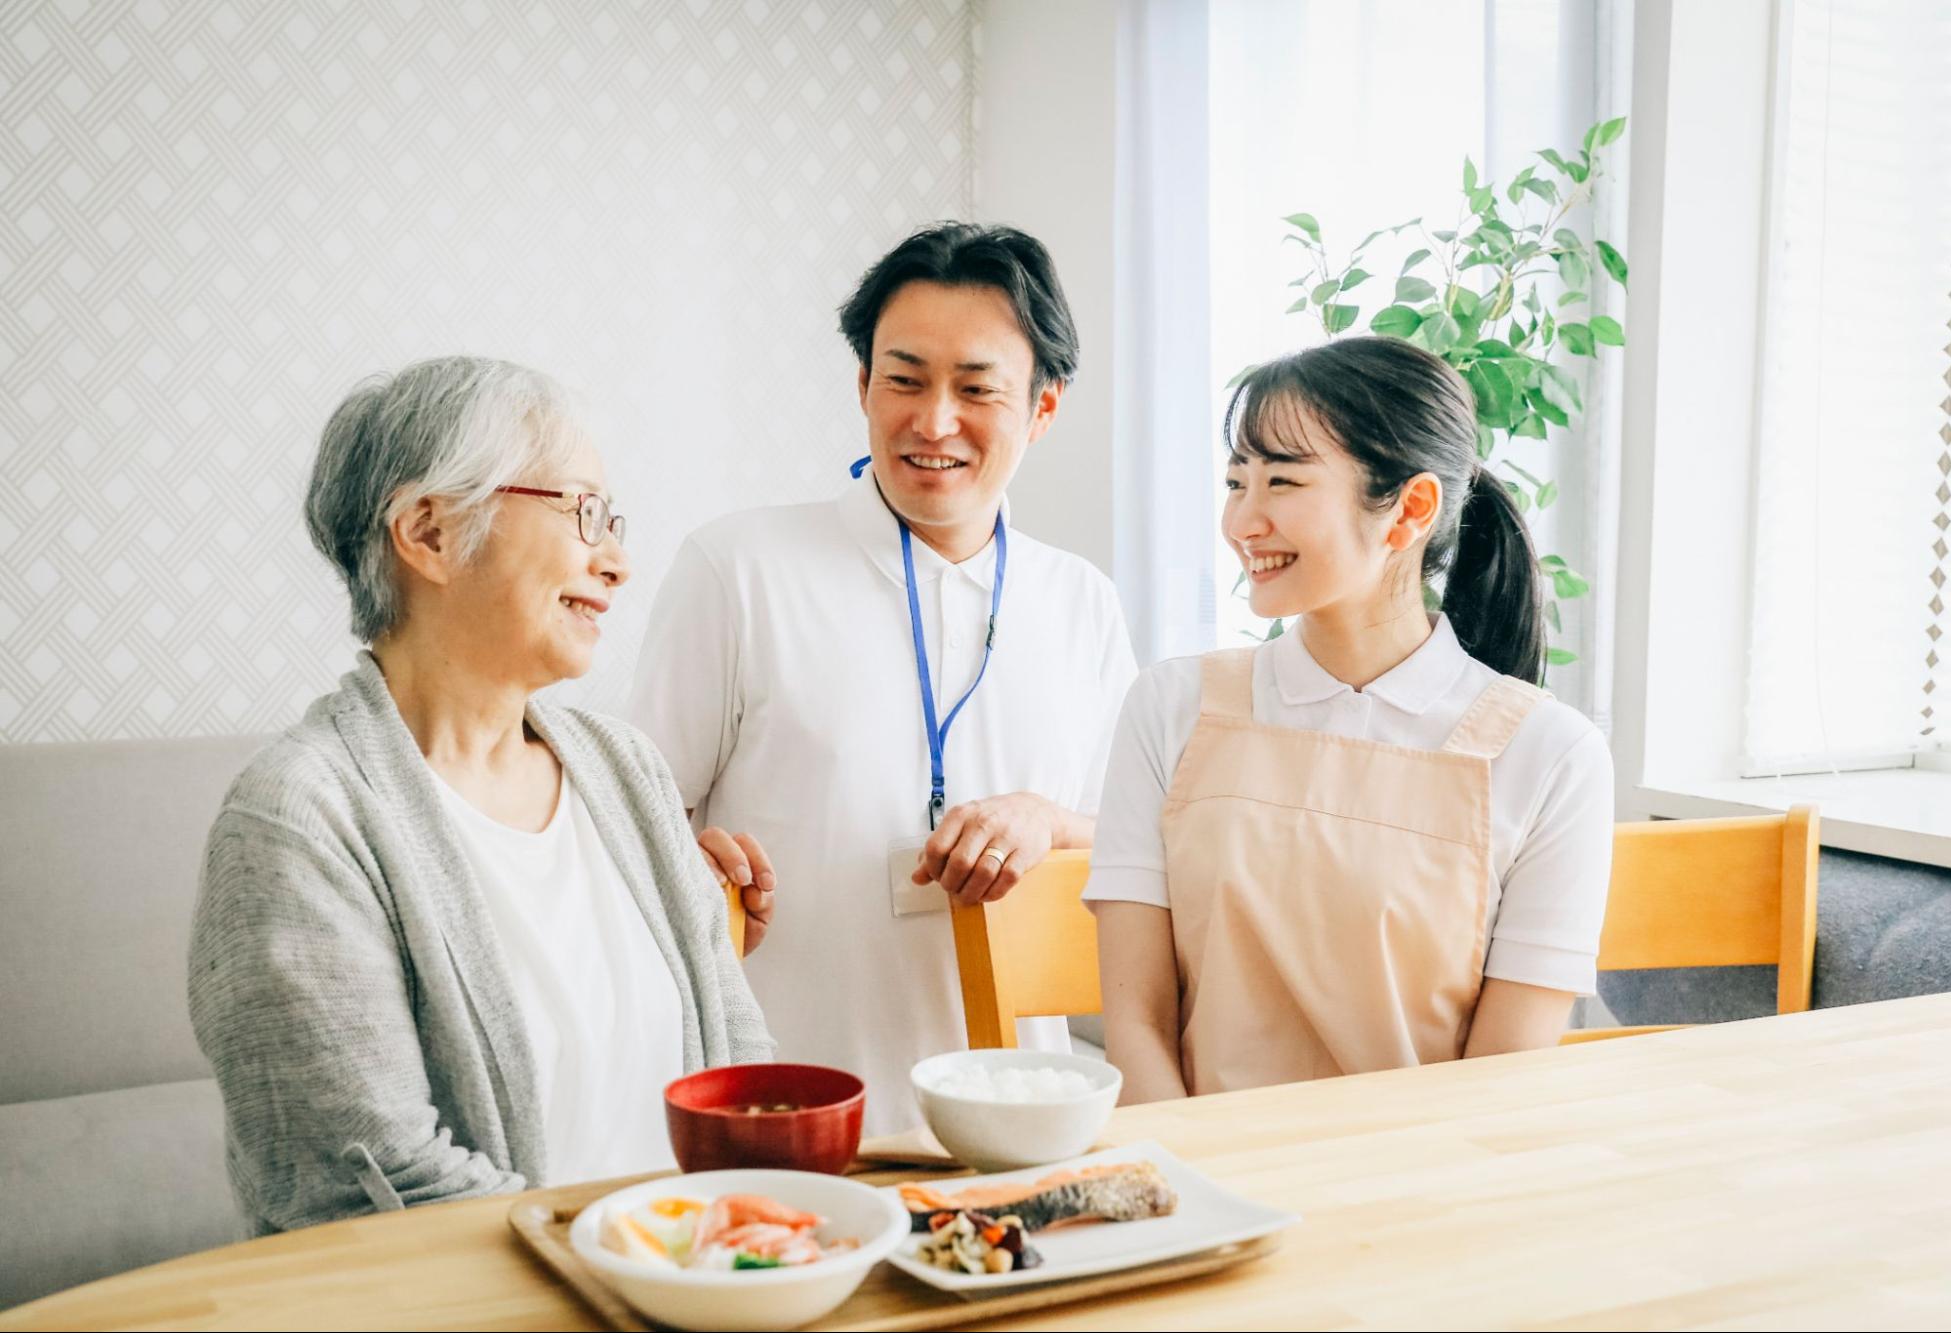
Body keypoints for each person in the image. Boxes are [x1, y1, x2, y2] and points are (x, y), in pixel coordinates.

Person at [189, 356, 771, 1233]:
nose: (614, 561)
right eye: (581, 511)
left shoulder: (626, 769)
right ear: (427, 531)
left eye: (609, 520)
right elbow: (370, 1183)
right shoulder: (297, 820)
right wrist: (646, 1262)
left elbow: (742, 1073)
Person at [628, 224, 1137, 1134]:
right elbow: (626, 824)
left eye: (976, 389)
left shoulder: (1080, 600)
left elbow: (1132, 847)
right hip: (780, 1106)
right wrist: (688, 855)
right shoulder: (738, 567)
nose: (933, 421)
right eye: (903, 379)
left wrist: (1044, 819)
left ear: (1044, 408)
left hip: (1021, 1118)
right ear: (862, 384)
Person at [1087, 336, 1613, 1103]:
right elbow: (1135, 1023)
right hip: (1201, 1182)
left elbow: (1503, 1077)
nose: (1242, 519)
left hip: (1427, 1189)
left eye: (1281, 481)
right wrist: (1191, 1197)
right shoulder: (1170, 706)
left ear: (1410, 509)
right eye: (1236, 480)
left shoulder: (1550, 753)